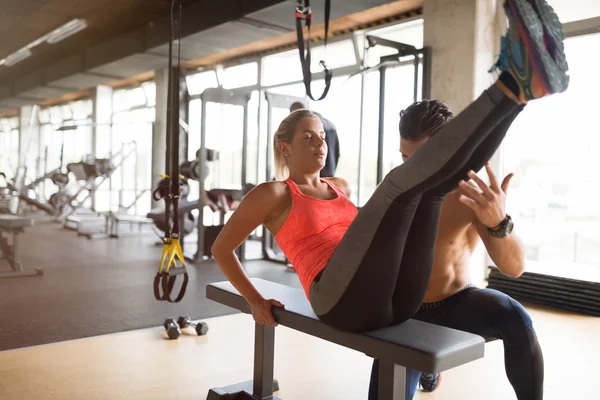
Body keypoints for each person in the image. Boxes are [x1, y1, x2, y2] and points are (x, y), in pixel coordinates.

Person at [211, 3, 567, 400]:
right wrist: (255, 299)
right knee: (408, 188)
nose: (318, 142)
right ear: (285, 147)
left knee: (433, 198)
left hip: (412, 299)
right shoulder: (278, 193)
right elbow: (226, 246)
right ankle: (514, 88)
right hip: (365, 299)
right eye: (307, 137)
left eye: (321, 136)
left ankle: (520, 89)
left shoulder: (456, 192)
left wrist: (499, 220)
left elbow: (513, 267)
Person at [367, 100, 540, 400]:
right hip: (405, 313)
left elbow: (515, 267)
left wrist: (500, 222)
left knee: (516, 319)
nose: (412, 168)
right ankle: (428, 368)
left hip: (456, 304)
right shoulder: (394, 185)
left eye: (421, 158)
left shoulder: (471, 191)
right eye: (405, 157)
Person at [289, 102, 340, 178]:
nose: (321, 142)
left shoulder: (308, 125)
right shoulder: (330, 125)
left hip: (316, 173)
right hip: (329, 171)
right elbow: (337, 152)